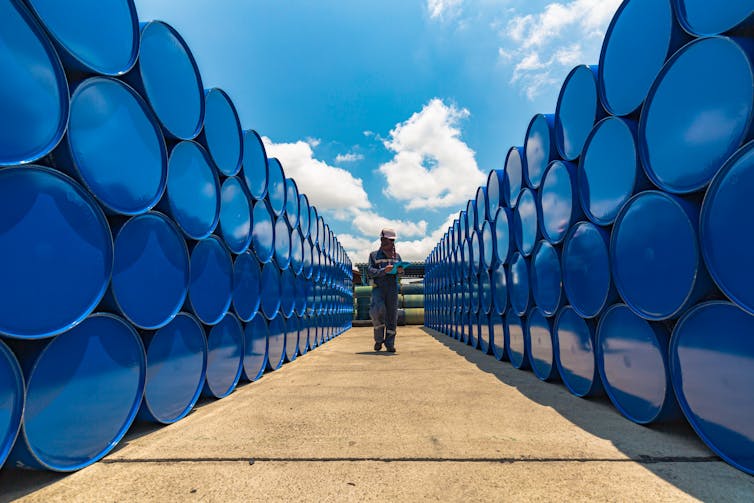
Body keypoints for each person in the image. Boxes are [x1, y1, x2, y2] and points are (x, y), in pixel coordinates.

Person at [367, 228, 404, 352]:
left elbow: (401, 271)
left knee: (392, 316)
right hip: (379, 288)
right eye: (389, 240)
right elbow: (370, 272)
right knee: (377, 312)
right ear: (382, 240)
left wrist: (400, 271)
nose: (391, 243)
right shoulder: (374, 255)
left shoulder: (397, 256)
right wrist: (383, 271)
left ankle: (390, 344)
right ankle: (378, 340)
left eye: (393, 241)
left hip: (392, 288)